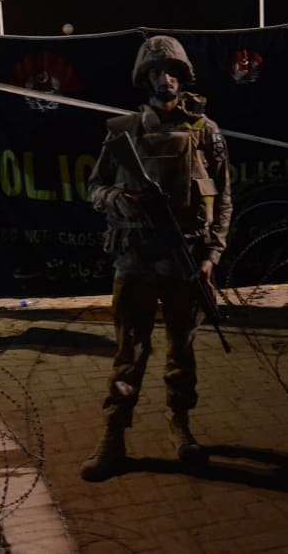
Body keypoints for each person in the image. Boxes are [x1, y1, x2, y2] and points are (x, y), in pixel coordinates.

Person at [80, 35, 233, 482]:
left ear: (182, 79)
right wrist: (116, 198)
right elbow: (93, 187)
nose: (165, 80)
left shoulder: (206, 131)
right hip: (136, 259)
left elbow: (224, 198)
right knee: (131, 353)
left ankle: (180, 425)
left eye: (172, 73)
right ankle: (113, 435)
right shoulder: (122, 132)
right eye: (156, 73)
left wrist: (213, 255)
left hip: (187, 258)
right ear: (144, 79)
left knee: (182, 351)